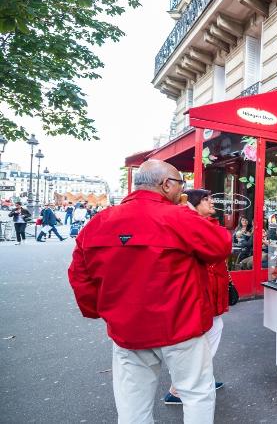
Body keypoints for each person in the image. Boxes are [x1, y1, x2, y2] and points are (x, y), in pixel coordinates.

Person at [67, 160, 231, 424]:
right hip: (181, 326)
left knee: (133, 406)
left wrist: (101, 311)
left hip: (128, 331)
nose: (183, 191)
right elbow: (220, 245)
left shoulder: (99, 222)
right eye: (181, 185)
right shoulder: (179, 217)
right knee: (197, 395)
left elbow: (79, 275)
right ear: (166, 184)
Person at [164, 188, 229, 405]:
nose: (212, 203)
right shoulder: (192, 224)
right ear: (195, 203)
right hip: (201, 292)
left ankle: (198, 379)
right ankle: (180, 388)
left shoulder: (205, 223)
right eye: (207, 200)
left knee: (211, 332)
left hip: (210, 290)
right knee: (200, 339)